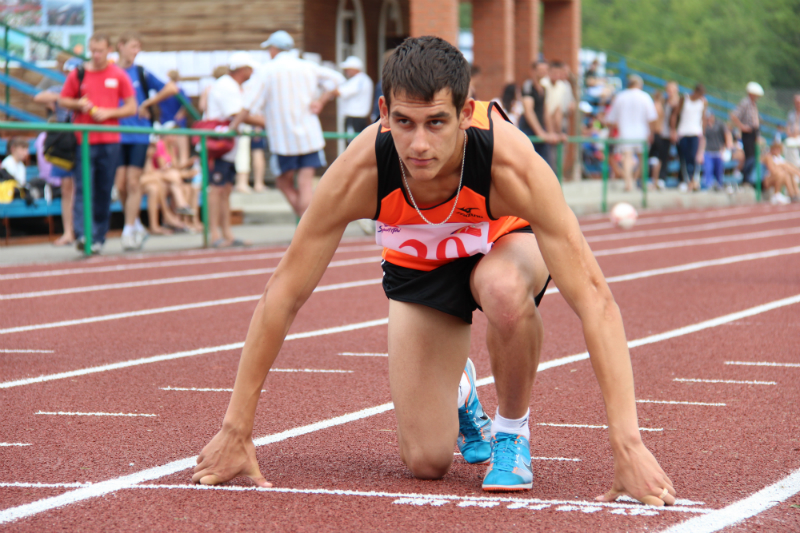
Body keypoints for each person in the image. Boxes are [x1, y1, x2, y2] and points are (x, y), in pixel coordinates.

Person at [192, 36, 676, 505]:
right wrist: (237, 429)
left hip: (504, 242)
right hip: (421, 262)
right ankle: (461, 389)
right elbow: (283, 293)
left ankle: (510, 433)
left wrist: (627, 444)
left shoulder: (510, 164)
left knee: (503, 289)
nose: (419, 144)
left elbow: (594, 297)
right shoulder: (360, 171)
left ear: (466, 114)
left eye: (437, 123)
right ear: (383, 112)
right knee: (425, 461)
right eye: (403, 122)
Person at [248, 30, 345, 217]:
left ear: (275, 49)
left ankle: (304, 222)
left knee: (283, 183)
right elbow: (337, 80)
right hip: (309, 133)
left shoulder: (267, 69)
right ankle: (308, 224)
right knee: (305, 183)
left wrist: (236, 122)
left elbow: (249, 104)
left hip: (283, 137)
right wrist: (321, 101)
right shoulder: (307, 66)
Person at [58, 33, 136, 254]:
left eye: (100, 50)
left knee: (103, 189)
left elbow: (132, 107)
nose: (96, 55)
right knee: (83, 188)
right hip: (84, 141)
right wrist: (78, 104)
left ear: (109, 49)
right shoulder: (79, 73)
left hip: (110, 141)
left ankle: (99, 236)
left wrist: (110, 112)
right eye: (93, 51)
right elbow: (63, 99)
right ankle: (83, 235)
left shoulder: (118, 75)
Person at [115, 32, 179, 251]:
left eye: (138, 47)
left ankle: (128, 229)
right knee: (121, 185)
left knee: (133, 182)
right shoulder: (112, 72)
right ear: (121, 46)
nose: (136, 51)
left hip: (139, 134)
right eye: (133, 46)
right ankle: (136, 224)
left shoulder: (141, 72)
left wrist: (149, 103)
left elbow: (171, 88)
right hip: (115, 134)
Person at [205, 51, 260, 247]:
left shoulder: (231, 85)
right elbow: (237, 114)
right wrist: (268, 121)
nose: (252, 71)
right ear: (242, 69)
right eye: (250, 68)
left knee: (225, 189)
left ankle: (226, 232)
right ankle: (213, 234)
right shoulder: (227, 86)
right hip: (219, 145)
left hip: (227, 147)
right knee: (217, 189)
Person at [33, 56, 78, 245]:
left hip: (83, 141)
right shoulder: (61, 89)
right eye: (68, 72)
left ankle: (82, 231)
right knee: (67, 188)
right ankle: (68, 232)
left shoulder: (86, 88)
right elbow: (38, 96)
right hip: (64, 143)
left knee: (83, 188)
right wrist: (62, 99)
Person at [604, 75, 658, 191]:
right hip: (642, 132)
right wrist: (652, 133)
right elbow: (652, 118)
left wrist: (610, 133)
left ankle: (628, 183)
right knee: (642, 158)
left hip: (625, 132)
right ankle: (640, 182)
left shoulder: (620, 97)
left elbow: (611, 119)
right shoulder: (645, 97)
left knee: (627, 157)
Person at [519, 61, 557, 162]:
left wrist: (550, 132)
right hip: (529, 130)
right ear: (533, 71)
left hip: (540, 129)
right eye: (540, 70)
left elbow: (545, 112)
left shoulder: (543, 89)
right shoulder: (528, 86)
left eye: (545, 70)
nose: (543, 72)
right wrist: (540, 132)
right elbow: (528, 111)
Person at [730, 82, 763, 186]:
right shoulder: (745, 102)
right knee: (749, 156)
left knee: (754, 156)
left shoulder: (753, 104)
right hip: (748, 133)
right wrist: (742, 126)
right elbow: (734, 115)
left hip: (754, 132)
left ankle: (749, 179)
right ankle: (746, 179)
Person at [335, 56, 373, 144]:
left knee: (352, 143)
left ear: (354, 69)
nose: (346, 71)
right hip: (358, 117)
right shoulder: (363, 79)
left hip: (354, 117)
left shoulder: (358, 80)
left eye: (348, 69)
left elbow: (340, 92)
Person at [675, 84, 706, 191]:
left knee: (694, 157)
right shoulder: (684, 99)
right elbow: (676, 114)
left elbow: (703, 118)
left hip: (695, 132)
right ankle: (686, 181)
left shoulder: (703, 102)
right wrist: (674, 130)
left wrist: (703, 133)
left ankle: (694, 180)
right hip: (683, 132)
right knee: (684, 158)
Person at [700, 112, 732, 191]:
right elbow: (703, 138)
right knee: (708, 168)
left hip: (718, 151)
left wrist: (726, 146)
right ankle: (708, 185)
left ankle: (719, 185)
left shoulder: (719, 124)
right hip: (708, 151)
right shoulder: (705, 126)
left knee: (718, 170)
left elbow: (726, 134)